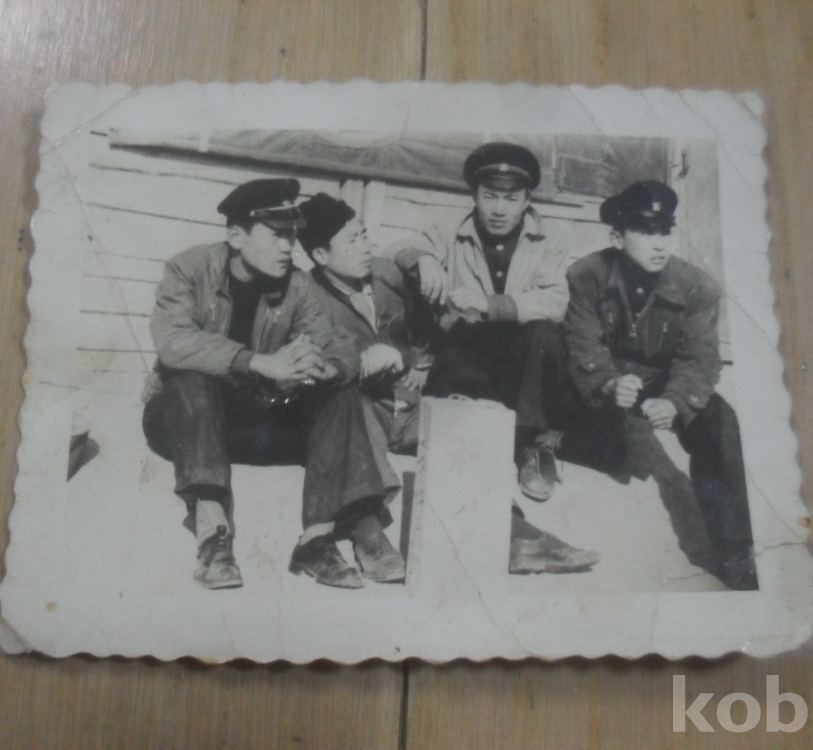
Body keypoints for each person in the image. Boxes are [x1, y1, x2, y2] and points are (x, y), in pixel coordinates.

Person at [142, 178, 401, 591]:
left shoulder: (297, 285)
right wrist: (261, 363)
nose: (288, 247)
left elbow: (338, 345)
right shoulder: (189, 269)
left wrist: (322, 369)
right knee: (192, 378)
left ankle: (318, 541)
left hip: (260, 423)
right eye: (276, 235)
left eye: (292, 236)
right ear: (236, 236)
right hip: (188, 424)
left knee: (342, 391)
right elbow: (173, 341)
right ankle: (213, 536)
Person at [394, 144, 600, 574]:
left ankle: (534, 446)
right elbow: (403, 247)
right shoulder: (450, 228)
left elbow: (555, 301)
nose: (500, 209)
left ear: (527, 200)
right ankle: (513, 535)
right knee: (457, 369)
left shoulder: (553, 237)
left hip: (524, 361)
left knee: (545, 334)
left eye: (511, 198)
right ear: (475, 196)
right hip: (467, 357)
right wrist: (425, 259)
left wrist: (492, 304)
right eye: (490, 196)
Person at [562, 179, 758, 590]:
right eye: (645, 231)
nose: (659, 244)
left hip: (661, 384)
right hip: (606, 383)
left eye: (665, 231)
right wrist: (607, 382)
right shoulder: (587, 275)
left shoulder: (698, 287)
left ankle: (737, 551)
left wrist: (676, 401)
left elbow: (700, 359)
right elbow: (582, 344)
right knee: (602, 446)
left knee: (718, 419)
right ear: (617, 237)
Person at [297, 193, 438, 582]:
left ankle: (515, 529)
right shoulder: (307, 297)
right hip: (366, 409)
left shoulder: (384, 274)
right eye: (351, 241)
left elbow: (424, 318)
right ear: (320, 255)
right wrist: (365, 359)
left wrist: (421, 361)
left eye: (363, 235)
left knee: (461, 433)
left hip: (409, 403)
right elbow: (321, 354)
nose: (365, 248)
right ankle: (369, 535)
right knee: (351, 409)